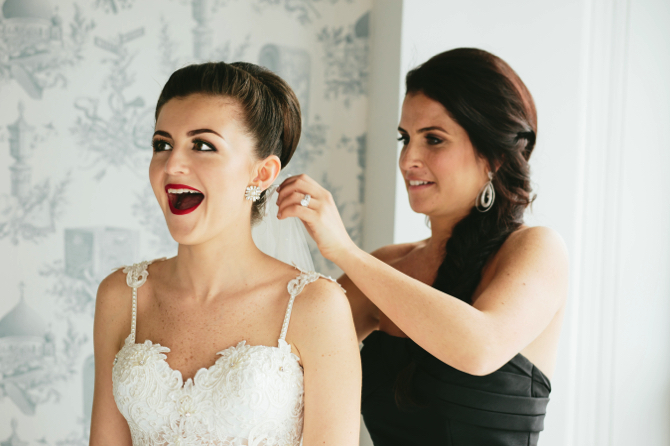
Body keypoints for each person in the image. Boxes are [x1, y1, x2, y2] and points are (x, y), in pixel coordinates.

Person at [276, 48, 568, 445]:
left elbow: (480, 348)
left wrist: (344, 250)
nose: (408, 159)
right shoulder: (387, 264)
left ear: (495, 155)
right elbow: (279, 351)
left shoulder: (537, 249)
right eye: (405, 138)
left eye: (433, 139)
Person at [89, 62, 361, 446]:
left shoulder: (316, 306)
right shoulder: (122, 296)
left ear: (262, 174)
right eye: (162, 144)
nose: (172, 165)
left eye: (203, 145)